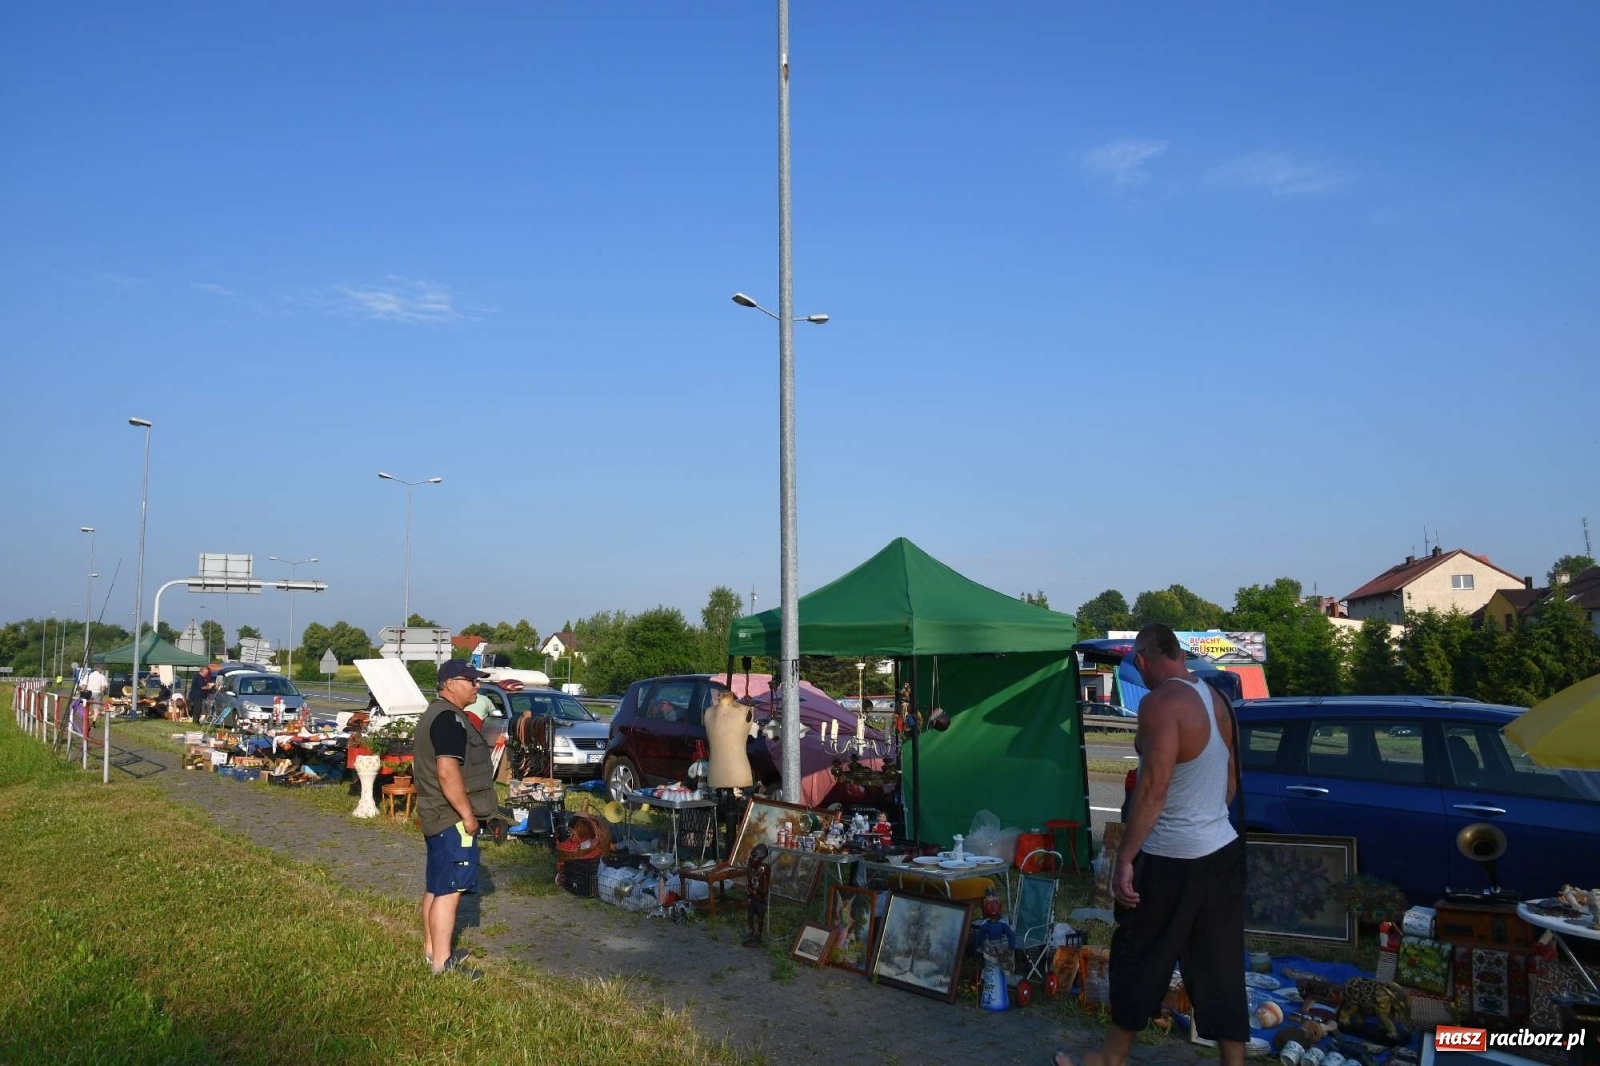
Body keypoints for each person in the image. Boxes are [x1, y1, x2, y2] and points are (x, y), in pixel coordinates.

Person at [1055, 624, 1246, 1066]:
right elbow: (1231, 782)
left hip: (1171, 858)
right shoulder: (1218, 700)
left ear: (1141, 661)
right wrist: (1204, 820)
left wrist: (1125, 858)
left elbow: (1154, 789)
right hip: (1221, 851)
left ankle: (1111, 1057)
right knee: (1219, 964)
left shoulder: (1161, 702)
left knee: (1139, 956)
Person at [415, 659, 499, 977]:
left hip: (435, 813)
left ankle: (432, 951)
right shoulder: (449, 719)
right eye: (471, 681)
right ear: (450, 684)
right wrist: (468, 816)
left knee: (437, 887)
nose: (477, 686)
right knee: (450, 891)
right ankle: (442, 964)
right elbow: (447, 771)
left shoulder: (437, 713)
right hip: (450, 817)